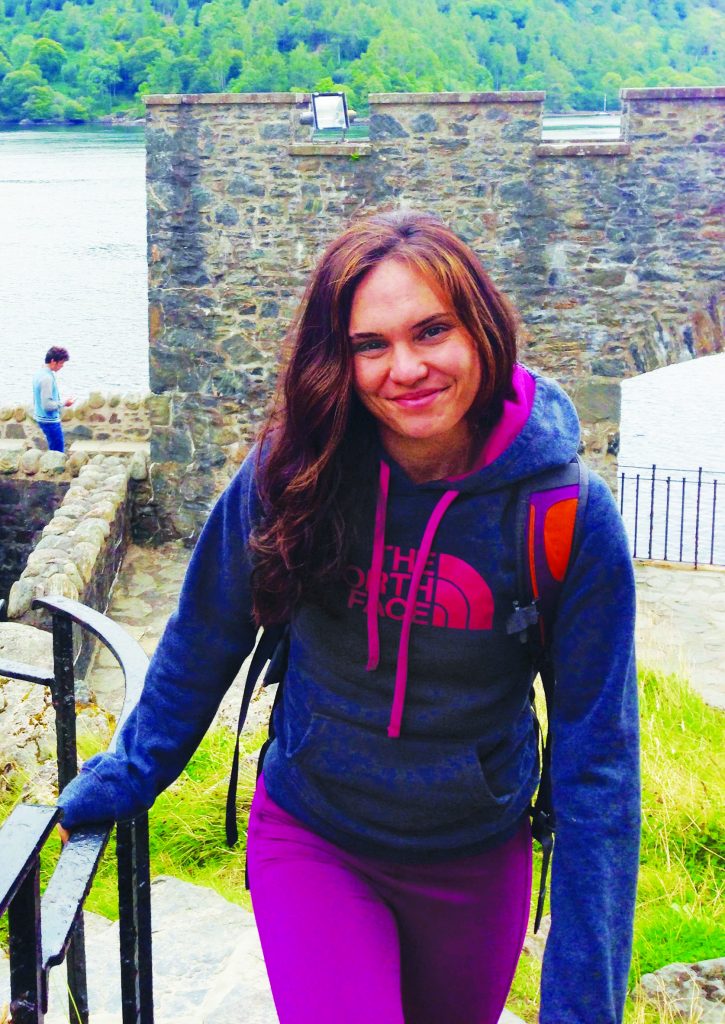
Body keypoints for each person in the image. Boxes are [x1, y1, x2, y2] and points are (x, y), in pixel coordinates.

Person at [57, 212, 640, 1024]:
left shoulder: (564, 516)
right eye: (371, 345)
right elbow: (207, 627)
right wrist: (134, 769)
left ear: (481, 328)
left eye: (431, 331)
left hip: (474, 861)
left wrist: (585, 1003)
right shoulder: (299, 469)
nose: (405, 368)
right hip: (314, 832)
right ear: (340, 358)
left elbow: (598, 760)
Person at [33, 346, 74, 452]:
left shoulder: (39, 373)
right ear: (53, 361)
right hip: (49, 420)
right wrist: (64, 403)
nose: (62, 366)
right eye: (61, 363)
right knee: (58, 452)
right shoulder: (47, 378)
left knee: (54, 449)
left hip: (41, 417)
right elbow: (47, 405)